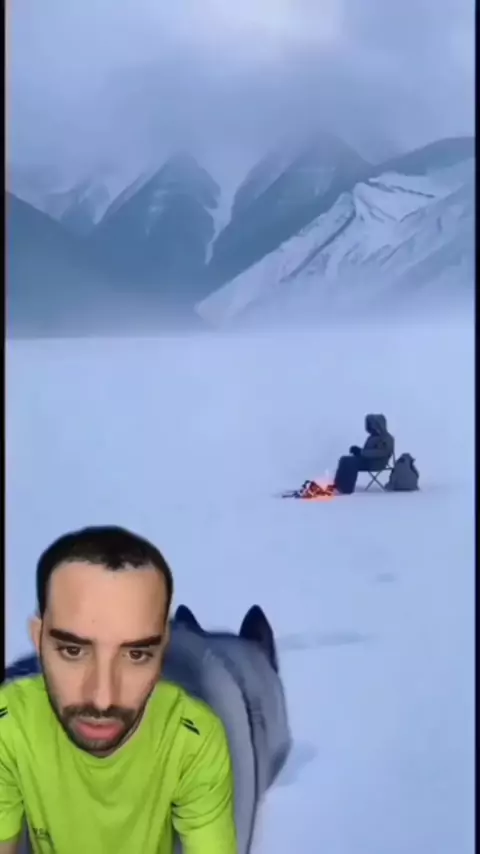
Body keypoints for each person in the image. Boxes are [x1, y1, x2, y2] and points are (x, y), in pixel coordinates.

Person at [0, 526, 237, 854]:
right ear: (38, 639)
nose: (103, 699)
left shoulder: (193, 738)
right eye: (73, 651)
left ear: (163, 647)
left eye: (137, 655)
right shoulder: (8, 726)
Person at [333, 413, 395, 495]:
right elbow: (367, 451)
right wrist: (357, 451)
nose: (371, 427)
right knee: (344, 459)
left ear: (379, 425)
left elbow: (381, 452)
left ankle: (346, 489)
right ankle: (337, 485)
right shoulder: (371, 437)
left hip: (378, 463)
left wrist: (361, 452)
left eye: (372, 425)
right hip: (367, 461)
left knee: (351, 462)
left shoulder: (387, 438)